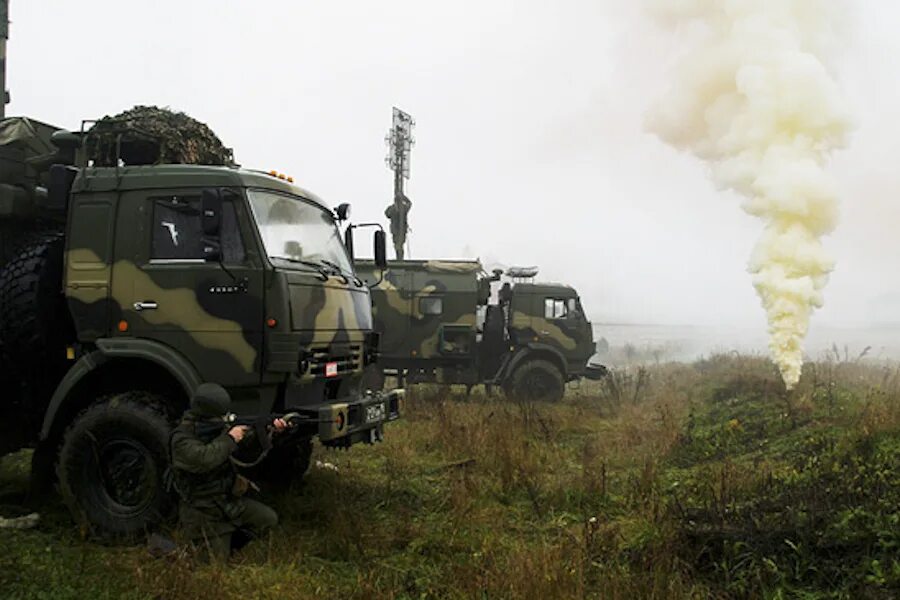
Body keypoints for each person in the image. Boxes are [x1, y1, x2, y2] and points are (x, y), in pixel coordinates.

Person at [170, 382, 287, 562]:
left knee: (267, 519)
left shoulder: (217, 429)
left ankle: (226, 542)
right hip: (202, 511)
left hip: (227, 503)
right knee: (212, 567)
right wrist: (231, 438)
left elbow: (246, 447)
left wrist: (269, 431)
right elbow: (204, 459)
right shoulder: (182, 439)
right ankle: (188, 551)